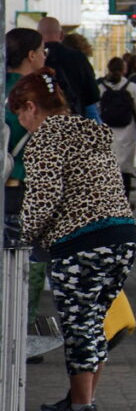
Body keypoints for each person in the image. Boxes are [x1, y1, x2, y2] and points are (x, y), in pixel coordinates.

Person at [13, 68, 136, 411]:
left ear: (31, 107)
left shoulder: (47, 138)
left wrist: (20, 235)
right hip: (122, 236)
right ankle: (83, 400)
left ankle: (82, 406)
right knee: (94, 322)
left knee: (79, 328)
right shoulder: (90, 129)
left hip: (82, 243)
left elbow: (43, 199)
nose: (20, 122)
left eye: (18, 113)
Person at [5, 29, 47, 362]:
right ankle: (23, 326)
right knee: (29, 258)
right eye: (43, 51)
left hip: (5, 183)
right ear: (31, 55)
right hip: (25, 185)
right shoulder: (36, 91)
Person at [97, 57, 136, 206]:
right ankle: (124, 202)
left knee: (108, 169)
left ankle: (109, 202)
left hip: (106, 131)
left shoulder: (100, 87)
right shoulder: (131, 86)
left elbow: (95, 108)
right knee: (125, 169)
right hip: (127, 131)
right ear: (124, 70)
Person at [38, 17, 100, 119]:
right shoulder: (78, 57)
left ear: (38, 35)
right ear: (62, 35)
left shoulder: (34, 58)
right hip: (74, 119)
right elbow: (93, 94)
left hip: (42, 121)